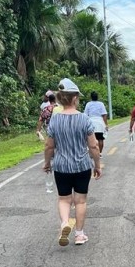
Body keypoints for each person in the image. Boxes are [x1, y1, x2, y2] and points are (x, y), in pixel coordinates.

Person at [43, 78, 102, 246]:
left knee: (64, 199)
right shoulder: (84, 119)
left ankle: (64, 224)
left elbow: (49, 146)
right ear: (75, 98)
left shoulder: (54, 119)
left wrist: (47, 163)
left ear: (61, 98)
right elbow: (93, 145)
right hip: (82, 165)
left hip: (61, 166)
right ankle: (79, 234)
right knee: (80, 200)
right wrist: (97, 165)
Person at [83, 91, 109, 155]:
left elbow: (85, 115)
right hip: (99, 122)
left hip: (91, 122)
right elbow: (104, 115)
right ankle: (99, 153)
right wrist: (106, 124)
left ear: (91, 97)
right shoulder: (101, 104)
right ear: (97, 97)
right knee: (100, 139)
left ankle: (92, 152)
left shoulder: (88, 104)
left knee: (91, 138)